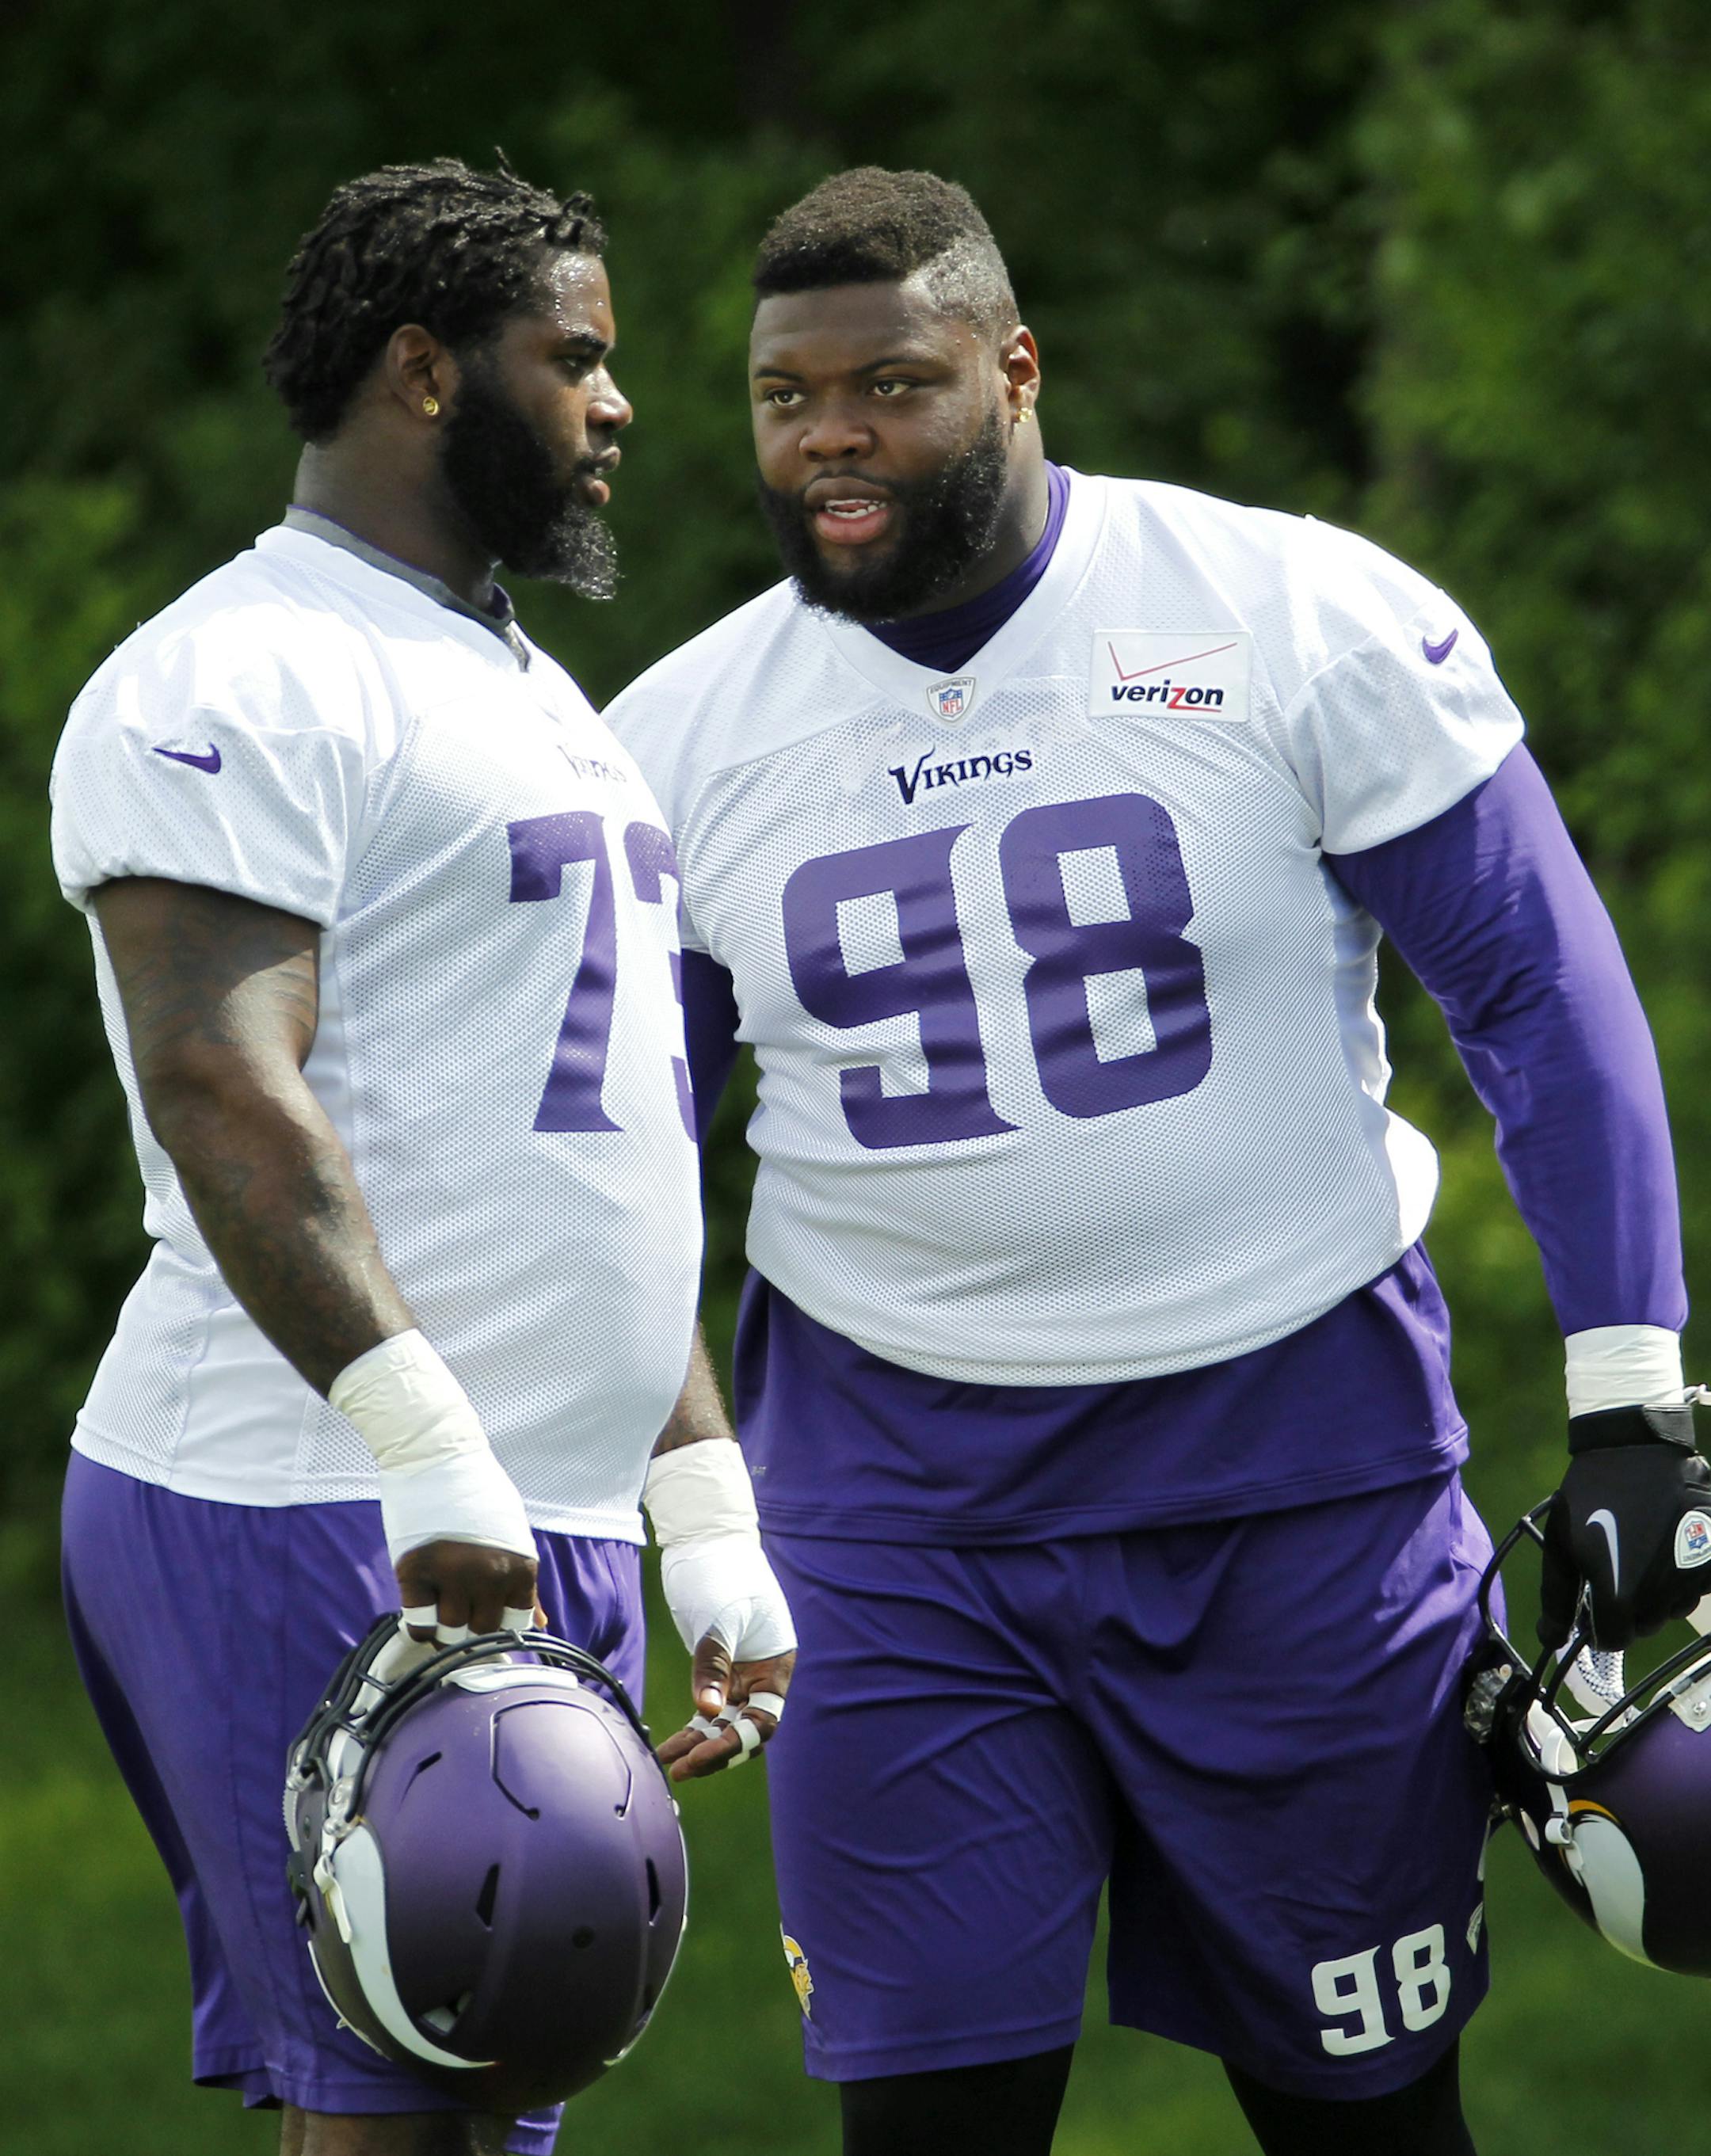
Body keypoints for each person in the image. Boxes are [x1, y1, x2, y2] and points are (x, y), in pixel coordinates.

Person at [605, 166, 1701, 2156]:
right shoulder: (673, 739)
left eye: (893, 384)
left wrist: (1635, 1393)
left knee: (1365, 2118)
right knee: (933, 2123)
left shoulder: (1292, 610)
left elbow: (1534, 989)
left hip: (1301, 1471)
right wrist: (653, 1505)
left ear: (1018, 371)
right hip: (901, 1502)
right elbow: (616, 1171)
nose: (830, 434)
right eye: (784, 395)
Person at [49, 158, 792, 2156]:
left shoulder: (542, 694)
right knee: (388, 2101)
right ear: (421, 371)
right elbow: (221, 1080)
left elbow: (610, 1142)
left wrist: (701, 1494)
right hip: (310, 1483)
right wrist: (427, 1448)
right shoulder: (242, 670)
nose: (621, 405)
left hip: (531, 1505)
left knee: (498, 2088)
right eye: (577, 358)